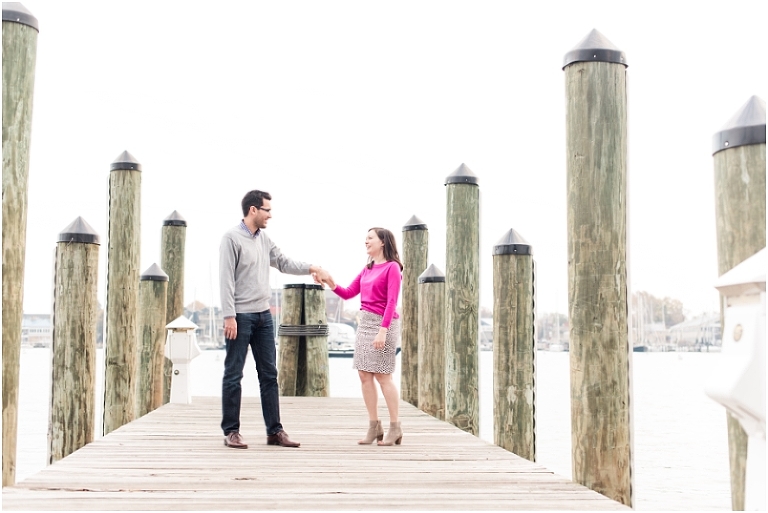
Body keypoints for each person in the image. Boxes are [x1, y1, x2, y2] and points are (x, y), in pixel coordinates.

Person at [219, 189, 333, 449]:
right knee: (234, 374)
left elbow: (283, 262)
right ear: (253, 210)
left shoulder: (264, 239)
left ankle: (274, 431)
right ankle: (231, 431)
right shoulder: (231, 238)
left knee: (269, 375)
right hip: (239, 316)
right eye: (267, 210)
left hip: (263, 317)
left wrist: (312, 268)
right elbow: (225, 280)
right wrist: (229, 316)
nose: (270, 214)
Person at [321, 227, 404, 446]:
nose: (366, 242)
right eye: (366, 238)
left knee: (383, 376)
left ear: (383, 242)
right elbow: (348, 292)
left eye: (370, 238)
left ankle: (395, 428)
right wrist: (330, 282)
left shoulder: (393, 268)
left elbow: (392, 302)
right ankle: (374, 426)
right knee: (364, 376)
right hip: (365, 323)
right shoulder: (367, 269)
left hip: (384, 323)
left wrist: (383, 331)